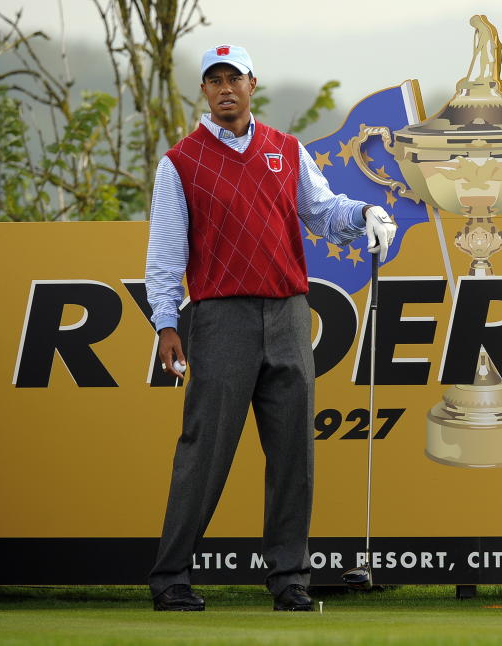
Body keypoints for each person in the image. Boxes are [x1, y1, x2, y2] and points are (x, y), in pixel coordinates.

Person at [145, 44, 396, 612]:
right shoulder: (180, 162)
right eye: (214, 79)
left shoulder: (287, 149)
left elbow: (322, 211)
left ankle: (290, 581)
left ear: (252, 83)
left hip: (287, 312)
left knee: (293, 455)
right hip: (219, 316)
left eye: (235, 77)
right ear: (204, 91)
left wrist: (362, 216)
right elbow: (164, 256)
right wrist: (166, 323)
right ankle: (171, 579)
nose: (225, 87)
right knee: (204, 451)